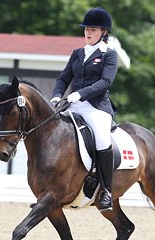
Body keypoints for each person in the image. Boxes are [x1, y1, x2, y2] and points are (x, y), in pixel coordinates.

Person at [50, 7, 118, 211]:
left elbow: (105, 82)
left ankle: (106, 190)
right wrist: (56, 96)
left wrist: (79, 94)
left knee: (102, 138)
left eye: (93, 30)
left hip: (97, 107)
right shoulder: (77, 53)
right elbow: (64, 78)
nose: (88, 33)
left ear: (104, 32)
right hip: (73, 105)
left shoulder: (109, 55)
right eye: (86, 29)